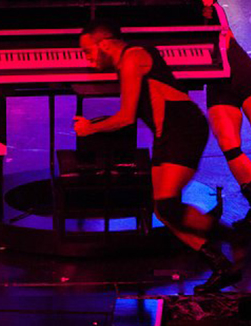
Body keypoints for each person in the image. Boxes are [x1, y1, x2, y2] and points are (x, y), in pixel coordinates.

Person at [74, 19, 241, 293]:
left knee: (167, 206)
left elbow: (126, 118)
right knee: (163, 211)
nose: (88, 59)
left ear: (103, 43)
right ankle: (221, 265)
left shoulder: (133, 58)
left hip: (183, 127)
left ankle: (233, 238)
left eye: (87, 51)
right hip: (167, 134)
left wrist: (90, 128)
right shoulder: (125, 62)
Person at [146, 0, 251, 225]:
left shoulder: (204, 0)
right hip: (219, 84)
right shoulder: (167, 14)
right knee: (229, 145)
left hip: (243, 75)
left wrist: (206, 6)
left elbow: (223, 32)